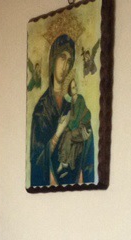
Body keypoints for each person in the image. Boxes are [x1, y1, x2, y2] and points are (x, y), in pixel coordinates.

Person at [28, 34, 95, 187]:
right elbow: (36, 159)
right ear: (53, 59)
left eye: (69, 61)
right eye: (62, 58)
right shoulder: (41, 109)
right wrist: (58, 133)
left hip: (76, 181)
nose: (65, 66)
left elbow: (86, 138)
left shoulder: (72, 103)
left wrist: (86, 135)